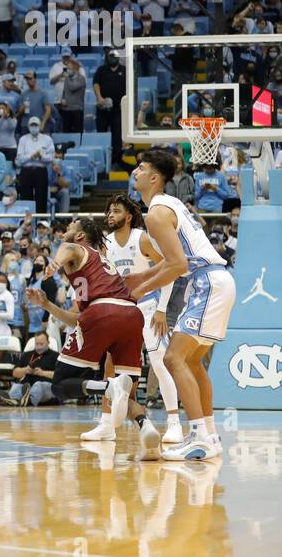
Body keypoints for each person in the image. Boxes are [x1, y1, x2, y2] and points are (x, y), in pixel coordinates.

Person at [125, 149, 234, 461]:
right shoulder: (169, 205)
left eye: (141, 169)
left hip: (206, 282)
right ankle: (209, 435)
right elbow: (173, 262)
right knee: (192, 362)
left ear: (155, 178)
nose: (135, 173)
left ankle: (199, 436)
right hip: (215, 279)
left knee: (174, 359)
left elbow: (176, 264)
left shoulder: (157, 213)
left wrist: (141, 289)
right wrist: (142, 277)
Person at [27, 215, 162, 459]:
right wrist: (46, 304)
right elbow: (79, 320)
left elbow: (65, 249)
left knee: (59, 385)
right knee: (127, 391)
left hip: (103, 312)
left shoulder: (75, 248)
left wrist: (53, 266)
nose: (66, 230)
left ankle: (107, 386)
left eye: (70, 227)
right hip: (131, 315)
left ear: (80, 236)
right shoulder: (98, 265)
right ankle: (147, 430)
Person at [103, 194, 182, 443]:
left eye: (115, 211)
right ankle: (106, 424)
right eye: (109, 212)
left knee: (159, 364)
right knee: (111, 367)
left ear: (127, 217)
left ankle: (174, 423)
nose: (110, 216)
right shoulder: (106, 243)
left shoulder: (142, 238)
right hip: (121, 311)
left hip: (148, 308)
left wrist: (161, 309)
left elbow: (170, 269)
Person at [4, 333, 57, 406]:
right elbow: (14, 373)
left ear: (48, 343)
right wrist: (26, 370)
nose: (38, 347)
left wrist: (42, 373)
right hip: (27, 384)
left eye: (41, 344)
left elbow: (59, 375)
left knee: (38, 385)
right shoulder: (26, 355)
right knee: (17, 386)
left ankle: (28, 400)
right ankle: (14, 400)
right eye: (37, 344)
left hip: (45, 385)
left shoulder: (55, 356)